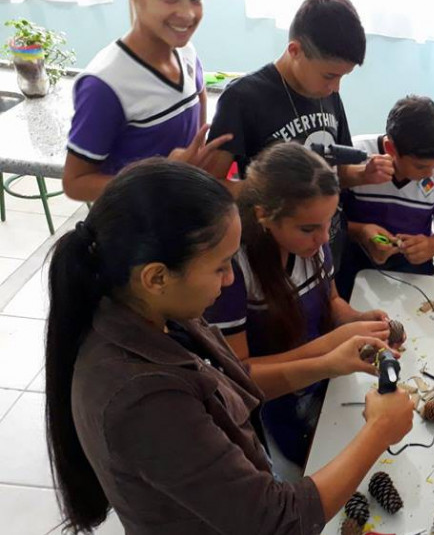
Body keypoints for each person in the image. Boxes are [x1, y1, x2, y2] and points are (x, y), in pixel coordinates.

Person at [45, 160, 413, 534]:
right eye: (221, 266)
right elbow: (277, 522)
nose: (230, 279)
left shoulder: (163, 313)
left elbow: (232, 383)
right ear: (156, 277)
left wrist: (330, 360)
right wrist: (379, 430)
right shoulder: (142, 399)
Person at [204, 142, 394, 467]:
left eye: (329, 222)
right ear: (264, 215)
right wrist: (329, 353)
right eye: (308, 229)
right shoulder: (233, 271)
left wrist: (356, 319)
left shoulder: (312, 245)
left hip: (326, 384)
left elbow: (331, 301)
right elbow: (238, 377)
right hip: (277, 407)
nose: (323, 238)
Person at [206, 0, 392, 267]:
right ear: (295, 50)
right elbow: (211, 185)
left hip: (326, 248)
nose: (336, 87)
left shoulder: (328, 94)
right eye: (330, 75)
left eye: (343, 76)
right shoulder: (243, 99)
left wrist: (363, 175)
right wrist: (274, 190)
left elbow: (335, 175)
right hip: (272, 259)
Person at [63, 0, 231, 202]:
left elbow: (199, 96)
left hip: (182, 204)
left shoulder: (186, 52)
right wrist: (162, 178)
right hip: (137, 218)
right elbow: (75, 184)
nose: (188, 14)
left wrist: (197, 154)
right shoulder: (104, 84)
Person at [336, 95, 434, 300]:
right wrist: (361, 232)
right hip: (353, 263)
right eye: (420, 166)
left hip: (412, 267)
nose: (430, 173)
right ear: (390, 149)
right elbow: (327, 222)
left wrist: (432, 246)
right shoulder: (355, 155)